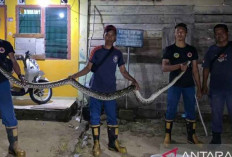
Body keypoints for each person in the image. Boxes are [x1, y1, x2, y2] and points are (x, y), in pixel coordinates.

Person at [69, 25, 139, 156]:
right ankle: (96, 145)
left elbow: (123, 71)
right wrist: (74, 76)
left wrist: (133, 80)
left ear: (115, 37)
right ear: (104, 36)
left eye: (112, 35)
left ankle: (113, 144)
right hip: (95, 90)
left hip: (111, 92)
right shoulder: (96, 51)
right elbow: (88, 68)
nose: (110, 37)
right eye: (108, 34)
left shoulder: (117, 53)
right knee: (95, 117)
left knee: (112, 117)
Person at [162, 23, 202, 146]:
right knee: (171, 110)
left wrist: (199, 88)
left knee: (190, 110)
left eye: (182, 31)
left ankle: (192, 136)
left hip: (189, 86)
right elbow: (164, 67)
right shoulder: (169, 49)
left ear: (186, 34)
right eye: (178, 31)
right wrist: (179, 66)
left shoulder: (191, 50)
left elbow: (195, 70)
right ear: (174, 34)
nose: (180, 34)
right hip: (174, 85)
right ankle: (167, 135)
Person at [202, 24, 232, 144]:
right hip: (216, 89)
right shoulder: (211, 50)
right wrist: (204, 84)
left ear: (227, 33)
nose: (219, 35)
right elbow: (206, 68)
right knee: (216, 113)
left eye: (222, 32)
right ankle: (216, 137)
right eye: (217, 33)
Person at [0, 39, 26, 156]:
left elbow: (14, 61)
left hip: (2, 83)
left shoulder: (5, 44)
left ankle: (14, 146)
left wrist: (20, 75)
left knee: (9, 115)